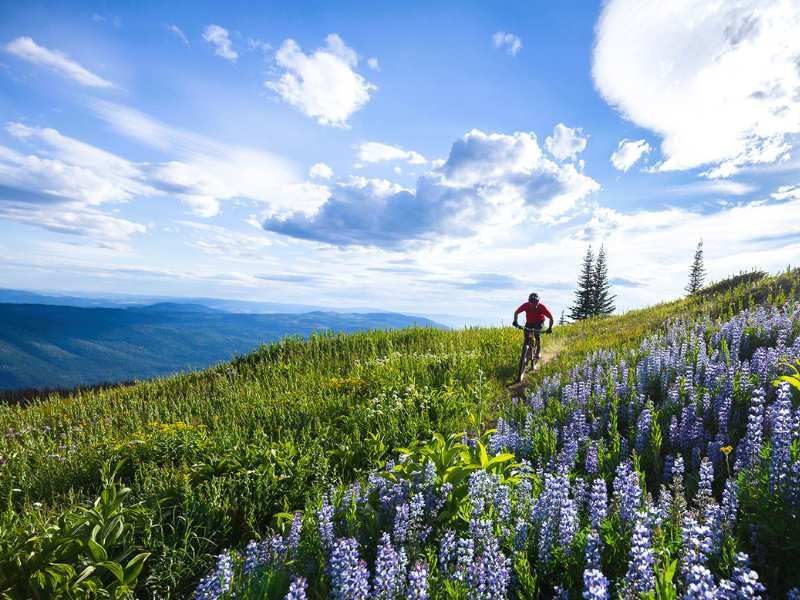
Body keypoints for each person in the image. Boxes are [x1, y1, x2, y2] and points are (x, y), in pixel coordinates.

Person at [513, 292, 553, 359]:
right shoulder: (525, 305)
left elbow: (551, 318)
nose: (534, 304)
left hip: (539, 322)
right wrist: (515, 321)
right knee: (527, 337)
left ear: (538, 301)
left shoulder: (541, 307)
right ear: (529, 301)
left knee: (537, 335)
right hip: (529, 322)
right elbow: (516, 312)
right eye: (532, 302)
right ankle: (527, 350)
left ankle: (537, 352)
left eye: (536, 302)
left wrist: (550, 328)